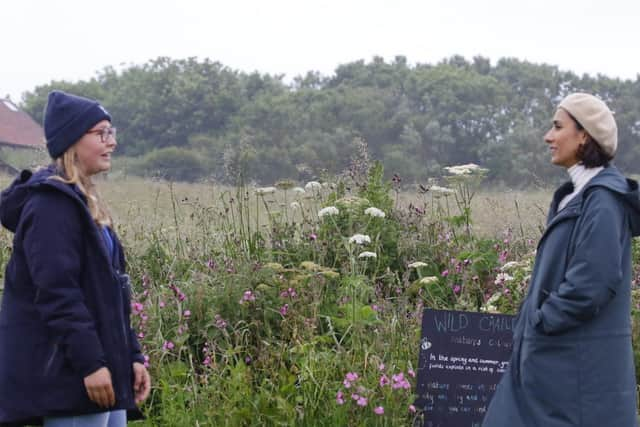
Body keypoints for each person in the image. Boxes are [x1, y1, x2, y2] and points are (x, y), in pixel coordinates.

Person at [482, 93, 640, 426]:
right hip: (554, 369)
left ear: (584, 135)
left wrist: (542, 323)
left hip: (575, 375)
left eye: (557, 127)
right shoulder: (575, 198)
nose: (547, 136)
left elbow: (592, 284)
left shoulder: (602, 202)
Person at [0, 91, 150, 426]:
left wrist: (132, 357)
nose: (111, 142)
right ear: (71, 140)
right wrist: (90, 365)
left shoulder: (85, 203)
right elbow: (58, 294)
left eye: (112, 132)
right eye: (101, 134)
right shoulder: (50, 207)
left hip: (102, 373)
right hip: (69, 379)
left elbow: (110, 295)